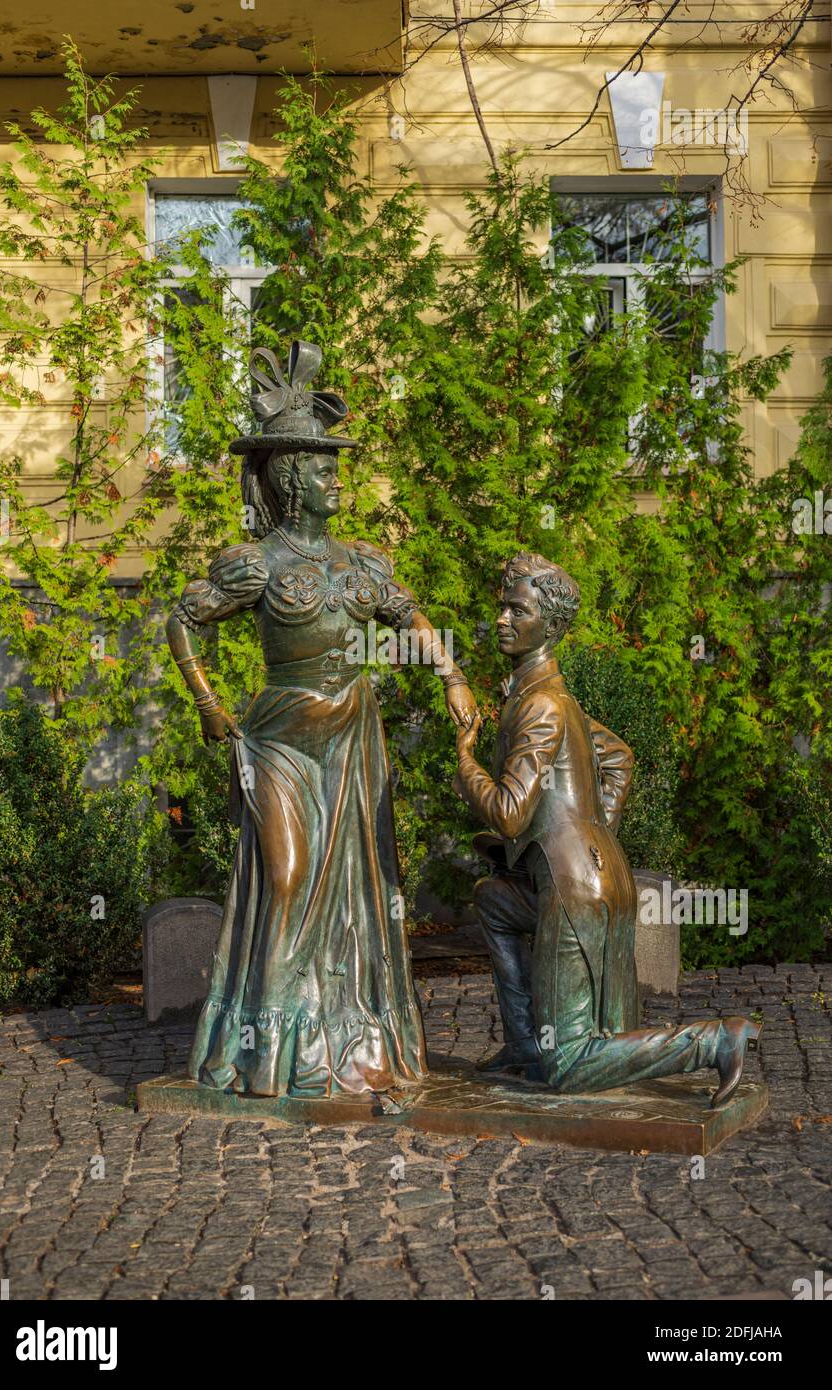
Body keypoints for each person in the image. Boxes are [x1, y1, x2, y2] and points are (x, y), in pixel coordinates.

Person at [167, 340, 477, 1099]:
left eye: (336, 464)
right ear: (288, 476)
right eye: (321, 465)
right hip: (281, 738)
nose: (336, 475)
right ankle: (259, 1051)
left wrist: (452, 675)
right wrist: (207, 701)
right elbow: (182, 619)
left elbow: (410, 618)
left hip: (351, 735)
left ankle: (349, 1042)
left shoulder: (362, 562)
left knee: (357, 892)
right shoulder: (257, 564)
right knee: (286, 877)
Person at [452, 552, 760, 1107]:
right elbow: (619, 757)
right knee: (494, 899)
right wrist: (594, 834)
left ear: (550, 625)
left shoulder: (542, 705)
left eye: (516, 610)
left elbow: (507, 811)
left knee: (571, 1065)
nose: (501, 619)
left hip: (577, 891)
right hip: (599, 875)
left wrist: (465, 763)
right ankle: (526, 1047)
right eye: (502, 608)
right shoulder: (551, 696)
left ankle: (715, 1040)